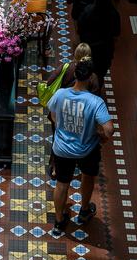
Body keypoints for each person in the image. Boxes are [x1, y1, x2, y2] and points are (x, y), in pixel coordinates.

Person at [47, 60, 113, 231]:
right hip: (87, 150)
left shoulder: (61, 94)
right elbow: (109, 129)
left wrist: (62, 128)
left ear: (75, 75)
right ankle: (84, 210)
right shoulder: (95, 102)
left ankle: (60, 220)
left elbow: (53, 115)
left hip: (61, 148)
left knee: (62, 183)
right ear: (90, 77)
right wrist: (102, 139)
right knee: (87, 177)